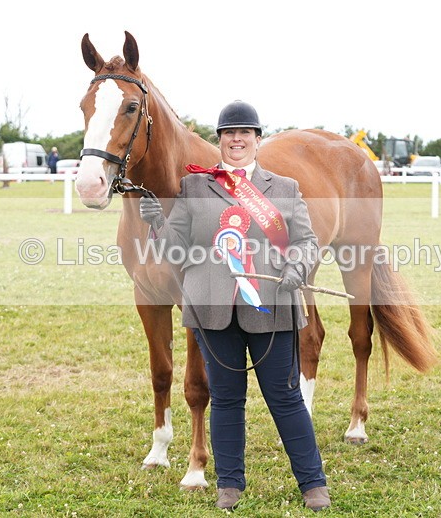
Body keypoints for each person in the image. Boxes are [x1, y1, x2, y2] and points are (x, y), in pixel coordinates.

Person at [139, 101, 330, 511]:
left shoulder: (285, 188)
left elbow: (306, 242)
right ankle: (230, 483)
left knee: (285, 397)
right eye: (229, 133)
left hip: (272, 306)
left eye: (245, 132)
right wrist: (158, 223)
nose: (237, 139)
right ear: (219, 140)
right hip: (213, 311)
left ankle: (313, 482)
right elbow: (177, 251)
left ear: (258, 140)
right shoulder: (195, 188)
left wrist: (298, 266)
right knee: (226, 399)